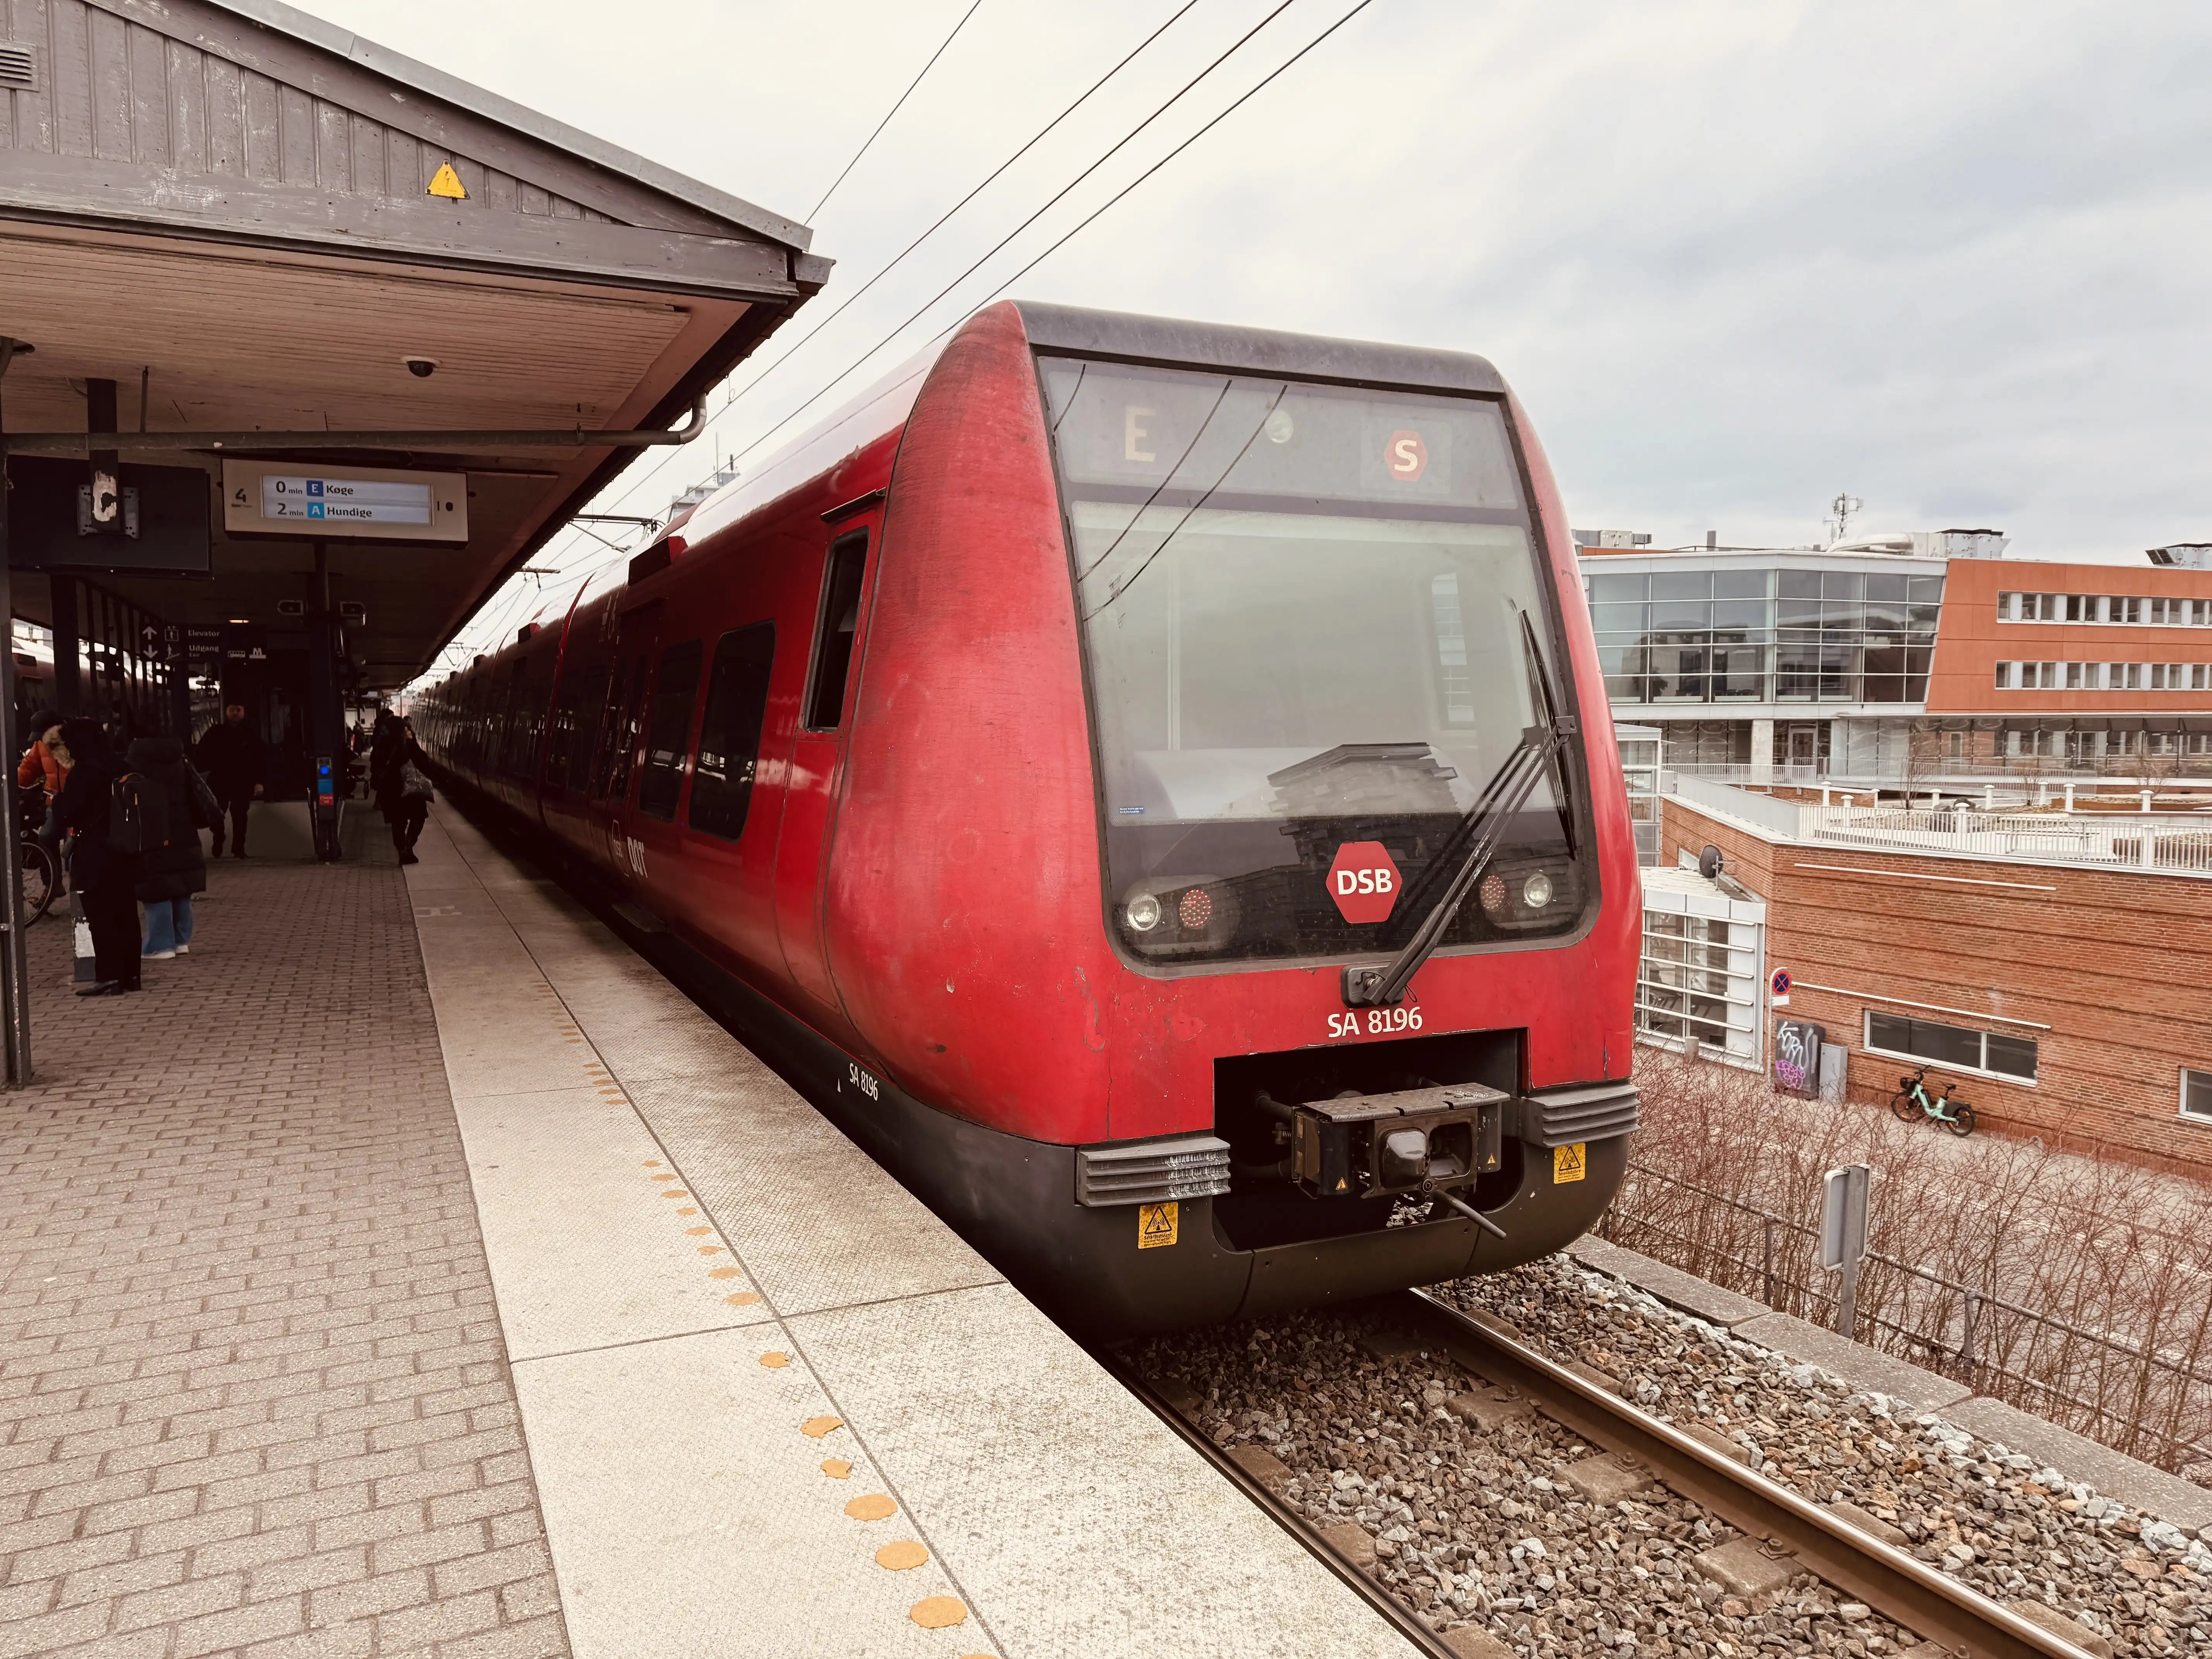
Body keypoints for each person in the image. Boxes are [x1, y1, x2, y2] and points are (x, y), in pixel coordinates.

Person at [50, 718, 141, 995]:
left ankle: (109, 976)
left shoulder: (84, 773)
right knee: (126, 912)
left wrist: (55, 800)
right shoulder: (121, 767)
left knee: (101, 915)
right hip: (124, 849)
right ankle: (131, 976)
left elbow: (69, 813)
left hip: (95, 852)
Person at [128, 734, 209, 960]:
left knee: (158, 889)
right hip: (184, 834)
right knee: (181, 887)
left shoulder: (139, 769)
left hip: (154, 835)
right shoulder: (181, 764)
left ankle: (160, 945)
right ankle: (181, 940)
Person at [193, 703, 266, 857]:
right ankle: (219, 836)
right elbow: (201, 754)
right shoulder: (215, 733)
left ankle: (239, 849)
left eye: (239, 710)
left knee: (240, 816)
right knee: (216, 813)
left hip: (243, 780)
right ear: (226, 712)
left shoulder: (251, 734)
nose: (235, 713)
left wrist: (259, 781)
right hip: (220, 779)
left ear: (244, 712)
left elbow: (260, 759)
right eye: (232, 710)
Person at [371, 714, 433, 865]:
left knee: (398, 823)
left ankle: (402, 850)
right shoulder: (409, 743)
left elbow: (375, 766)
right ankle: (408, 847)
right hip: (411, 789)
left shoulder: (383, 745)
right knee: (418, 818)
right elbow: (425, 763)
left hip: (391, 791)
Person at [17, 708, 67, 866]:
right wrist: (12, 784)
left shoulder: (74, 739)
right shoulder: (40, 744)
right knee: (45, 838)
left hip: (77, 799)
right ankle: (53, 884)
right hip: (55, 800)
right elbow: (30, 767)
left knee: (75, 845)